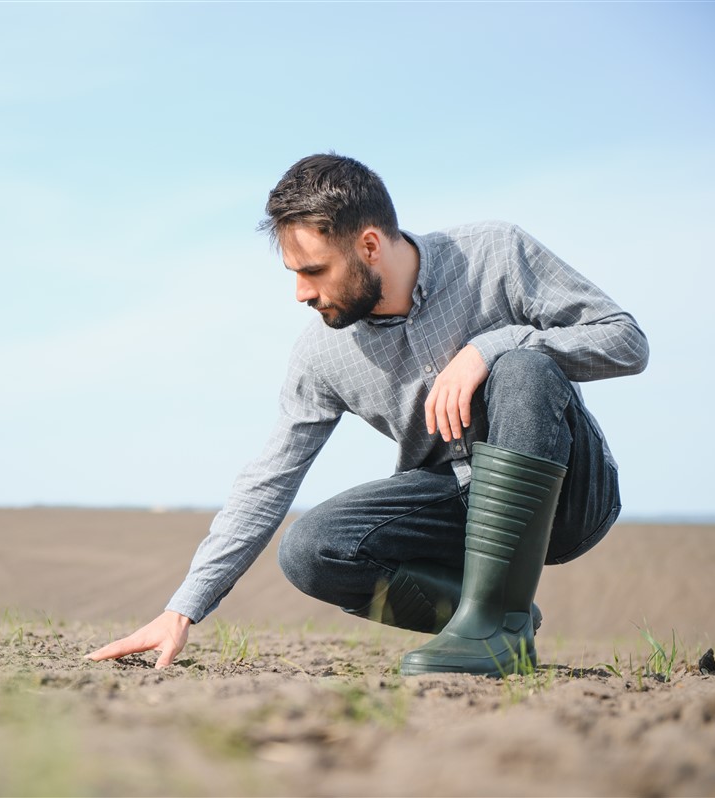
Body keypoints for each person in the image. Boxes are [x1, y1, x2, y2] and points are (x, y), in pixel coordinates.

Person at [86, 153, 649, 676]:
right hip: (458, 503)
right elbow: (270, 477)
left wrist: (492, 346)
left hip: (568, 498)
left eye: (314, 270)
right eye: (293, 274)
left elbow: (625, 340)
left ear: (370, 245)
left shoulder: (495, 252)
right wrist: (181, 610)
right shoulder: (321, 353)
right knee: (311, 549)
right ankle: (496, 617)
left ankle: (494, 623)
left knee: (522, 365)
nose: (301, 293)